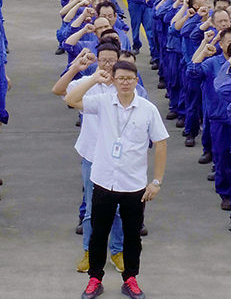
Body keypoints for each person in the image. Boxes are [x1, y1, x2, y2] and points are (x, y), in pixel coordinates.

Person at [65, 62, 168, 299]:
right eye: (120, 78)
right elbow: (70, 99)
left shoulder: (148, 109)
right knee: (98, 233)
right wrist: (94, 79)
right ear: (113, 80)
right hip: (103, 180)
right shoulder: (103, 102)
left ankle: (130, 278)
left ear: (136, 81)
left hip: (134, 184)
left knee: (132, 235)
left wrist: (156, 181)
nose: (125, 83)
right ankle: (95, 278)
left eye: (129, 78)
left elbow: (161, 144)